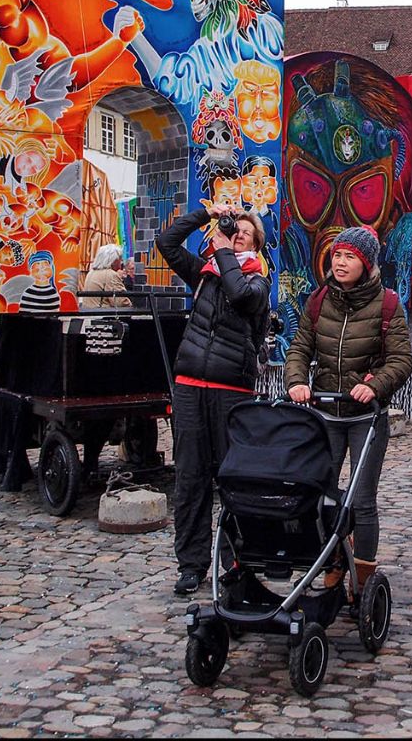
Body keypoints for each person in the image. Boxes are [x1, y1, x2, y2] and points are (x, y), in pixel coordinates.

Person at [284, 226, 412, 596]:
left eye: (349, 257)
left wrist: (373, 385)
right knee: (322, 493)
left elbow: (401, 359)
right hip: (324, 412)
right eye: (337, 255)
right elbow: (299, 348)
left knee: (362, 499)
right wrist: (296, 380)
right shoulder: (319, 300)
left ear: (366, 263)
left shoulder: (388, 304)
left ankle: (364, 573)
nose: (340, 262)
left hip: (364, 418)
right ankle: (329, 563)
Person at [157, 203, 270, 596]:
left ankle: (235, 563)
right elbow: (166, 243)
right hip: (190, 384)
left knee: (232, 479)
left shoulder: (257, 281)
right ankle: (191, 564)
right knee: (189, 478)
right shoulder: (204, 274)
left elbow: (238, 294)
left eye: (245, 233)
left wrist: (223, 250)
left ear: (257, 244)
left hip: (230, 391)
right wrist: (204, 215)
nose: (236, 235)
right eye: (232, 229)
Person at [79, 243, 131, 309]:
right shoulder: (110, 274)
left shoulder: (91, 272)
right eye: (120, 258)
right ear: (113, 260)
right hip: (102, 314)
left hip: (90, 313)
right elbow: (121, 302)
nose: (122, 262)